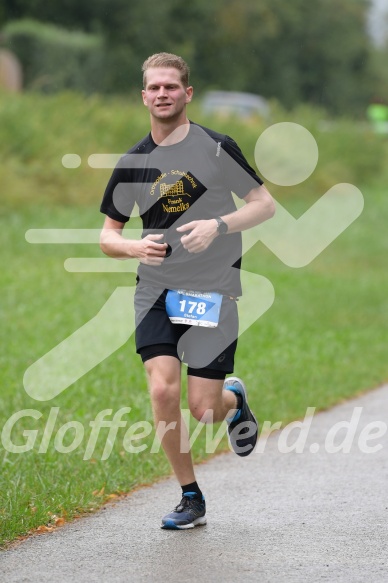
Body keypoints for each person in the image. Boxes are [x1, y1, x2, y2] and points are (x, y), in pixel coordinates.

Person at [99, 52, 275, 530]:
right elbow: (107, 237)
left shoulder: (217, 148)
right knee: (161, 389)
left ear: (187, 93)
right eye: (154, 87)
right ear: (144, 96)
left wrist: (218, 226)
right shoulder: (134, 161)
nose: (162, 94)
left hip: (213, 290)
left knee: (203, 409)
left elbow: (264, 205)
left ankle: (233, 401)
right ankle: (190, 496)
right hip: (155, 288)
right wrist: (135, 247)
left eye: (171, 87)